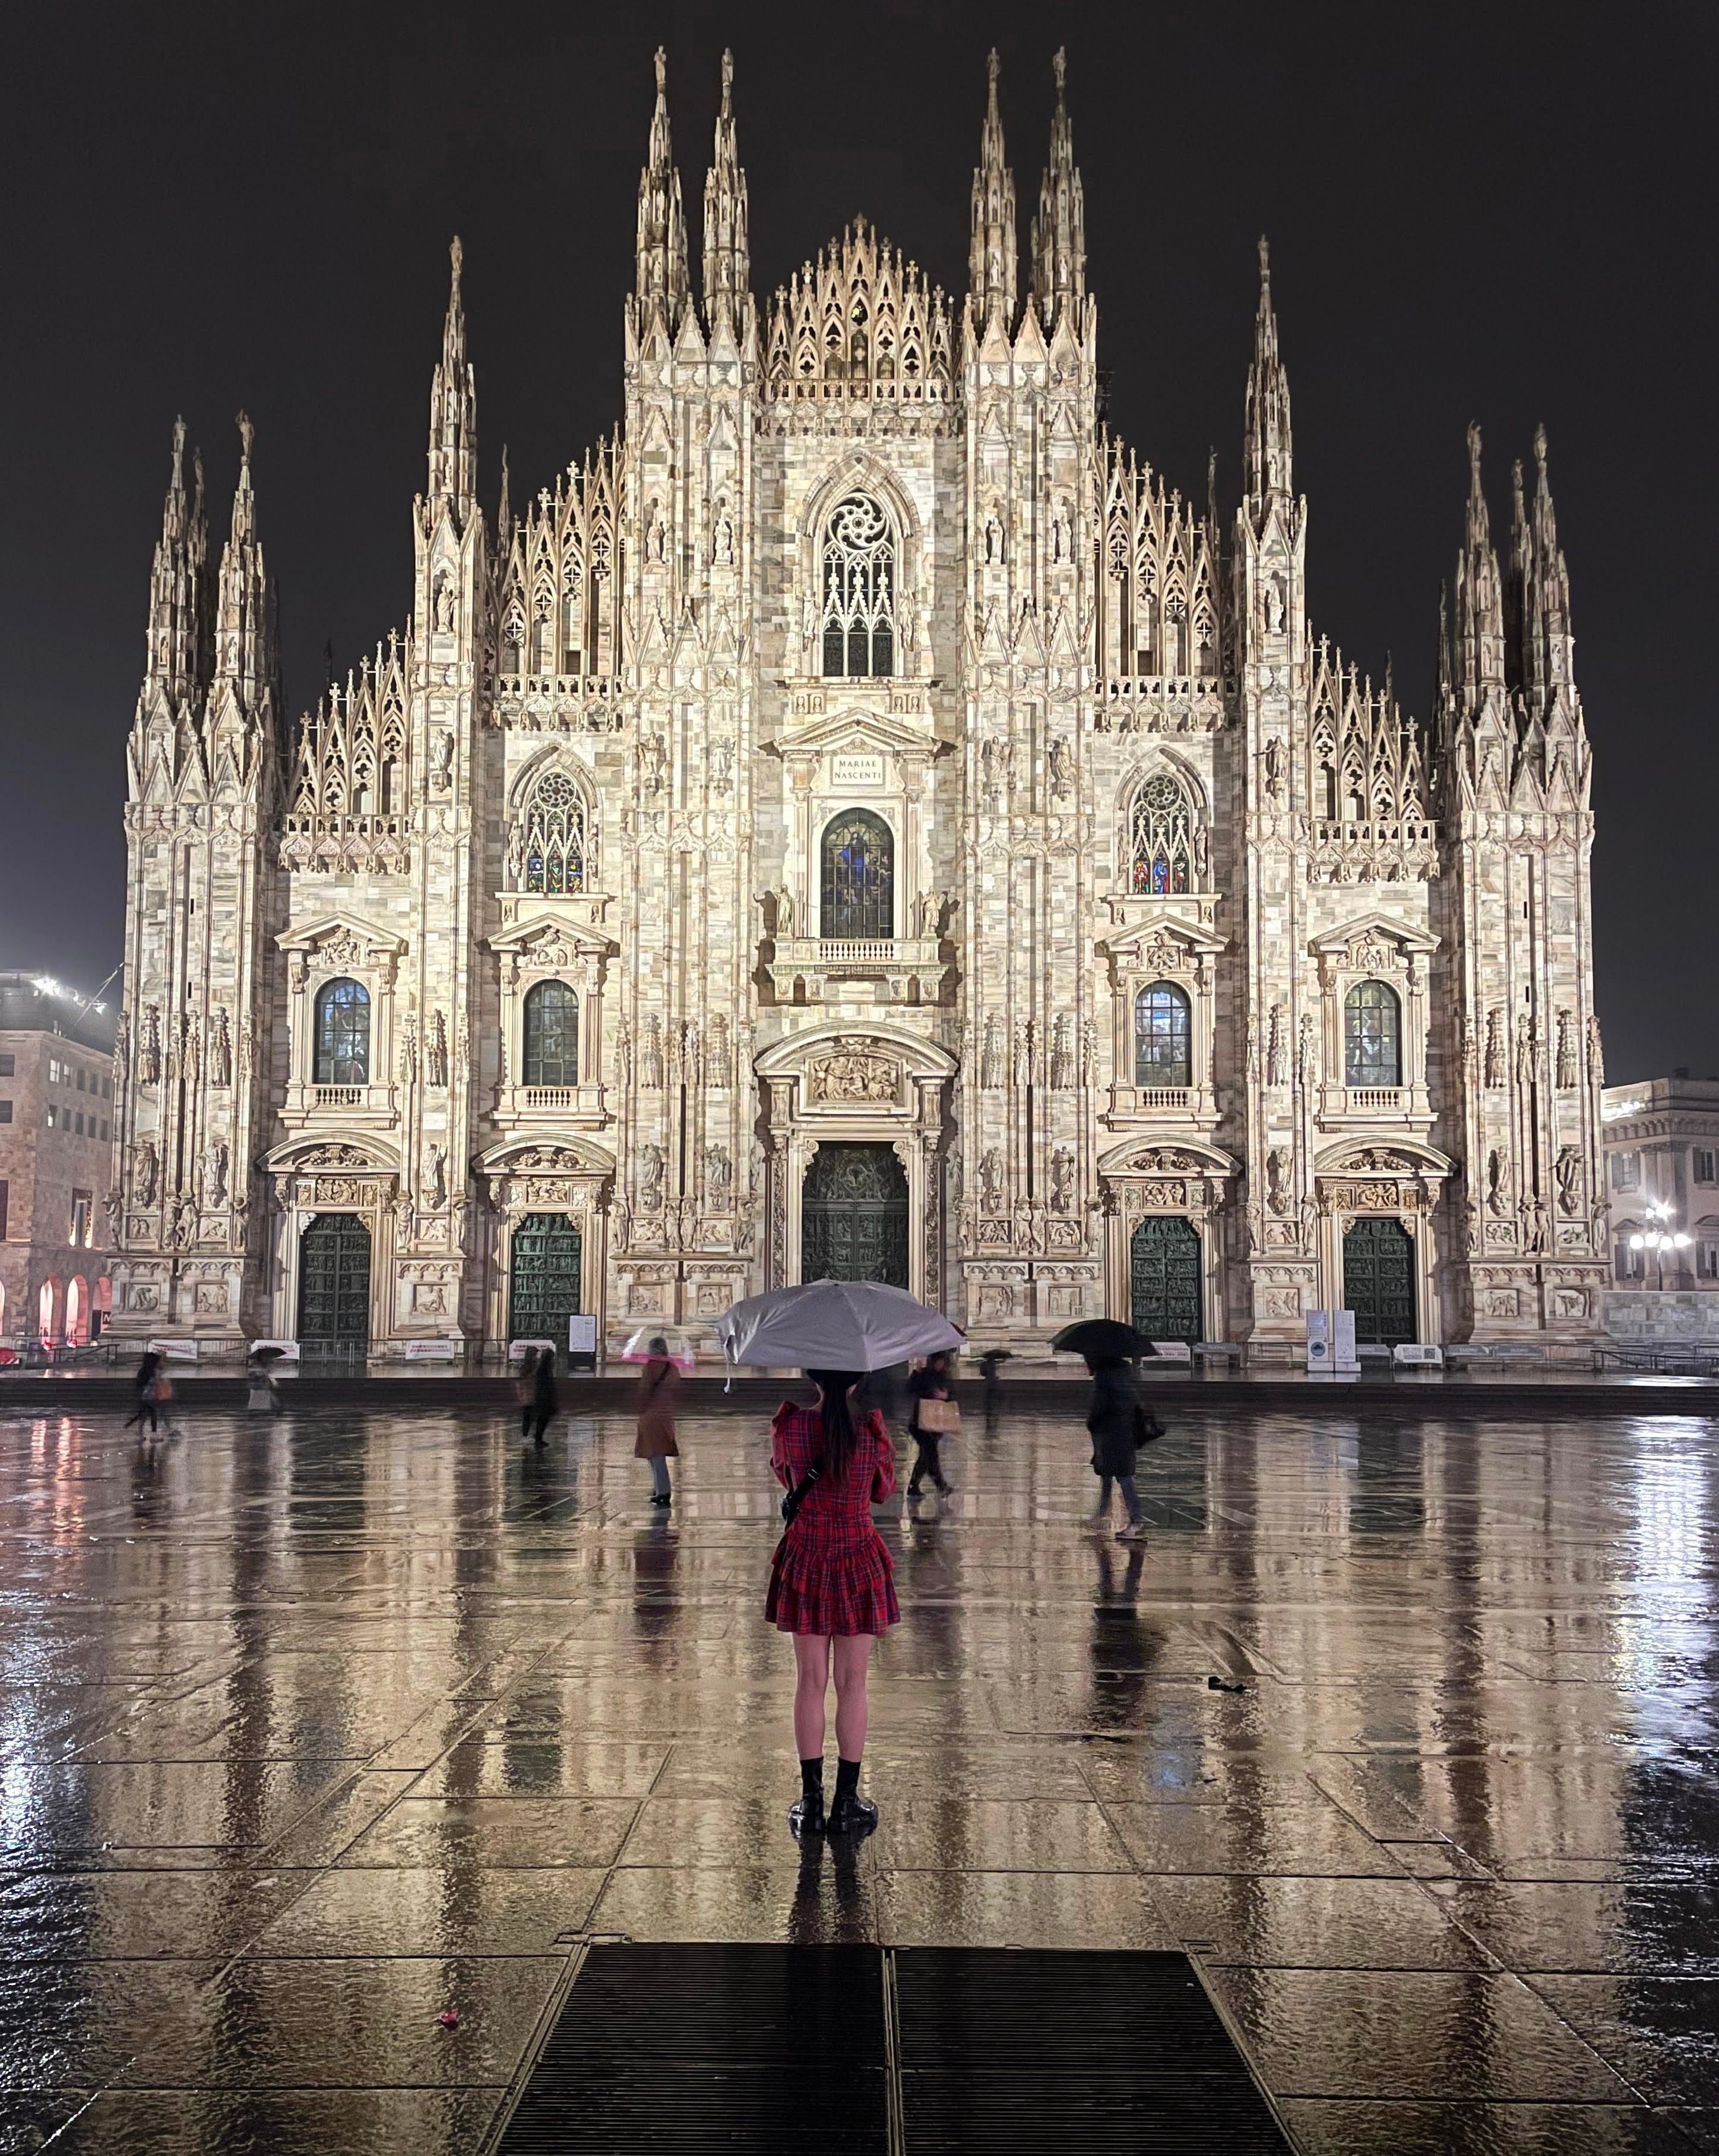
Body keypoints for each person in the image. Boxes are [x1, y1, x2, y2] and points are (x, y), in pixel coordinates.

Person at [768, 1370, 899, 1836]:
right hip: (858, 1558)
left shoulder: (791, 1426)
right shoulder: (871, 1433)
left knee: (809, 1682)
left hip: (805, 1556)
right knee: (853, 1683)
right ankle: (846, 1803)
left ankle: (809, 1801)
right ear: (858, 1381)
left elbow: (785, 1476)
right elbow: (882, 1491)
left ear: (812, 1378)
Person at [1086, 1354, 1149, 1541]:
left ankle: (1136, 1522)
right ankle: (1102, 1513)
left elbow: (1099, 1411)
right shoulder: (1124, 1378)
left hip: (1113, 1436)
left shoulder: (1105, 1382)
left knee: (1124, 1478)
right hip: (1123, 1434)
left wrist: (1092, 1423)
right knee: (1108, 1474)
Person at [635, 1336, 680, 1504]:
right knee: (654, 1453)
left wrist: (640, 1405)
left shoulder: (651, 1367)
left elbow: (644, 1389)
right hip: (666, 1414)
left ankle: (663, 1492)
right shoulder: (673, 1368)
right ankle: (658, 1487)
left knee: (655, 1455)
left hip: (652, 1414)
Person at [905, 1350, 956, 1496]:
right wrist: (917, 1372)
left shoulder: (944, 1378)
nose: (940, 1364)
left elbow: (953, 1396)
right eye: (938, 1361)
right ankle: (942, 1486)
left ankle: (913, 1487)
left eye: (942, 1361)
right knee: (931, 1454)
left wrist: (947, 1396)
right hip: (920, 1423)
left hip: (937, 1424)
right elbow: (910, 1389)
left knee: (925, 1456)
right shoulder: (924, 1374)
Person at [124, 1350, 162, 1434]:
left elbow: (139, 1384)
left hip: (144, 1396)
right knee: (152, 1414)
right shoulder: (152, 1372)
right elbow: (154, 1383)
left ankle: (135, 1428)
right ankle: (153, 1433)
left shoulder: (143, 1371)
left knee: (143, 1414)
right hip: (150, 1396)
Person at [529, 1343, 559, 1444]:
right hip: (544, 1397)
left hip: (543, 1397)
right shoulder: (544, 1369)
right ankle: (538, 1438)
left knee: (543, 1419)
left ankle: (538, 1437)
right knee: (543, 1419)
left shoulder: (544, 1368)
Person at [516, 1346, 539, 1438]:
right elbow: (524, 1379)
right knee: (530, 1415)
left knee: (529, 1416)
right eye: (535, 1355)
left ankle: (528, 1434)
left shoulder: (530, 1365)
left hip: (531, 1393)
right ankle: (528, 1434)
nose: (536, 1357)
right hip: (530, 1393)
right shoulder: (530, 1366)